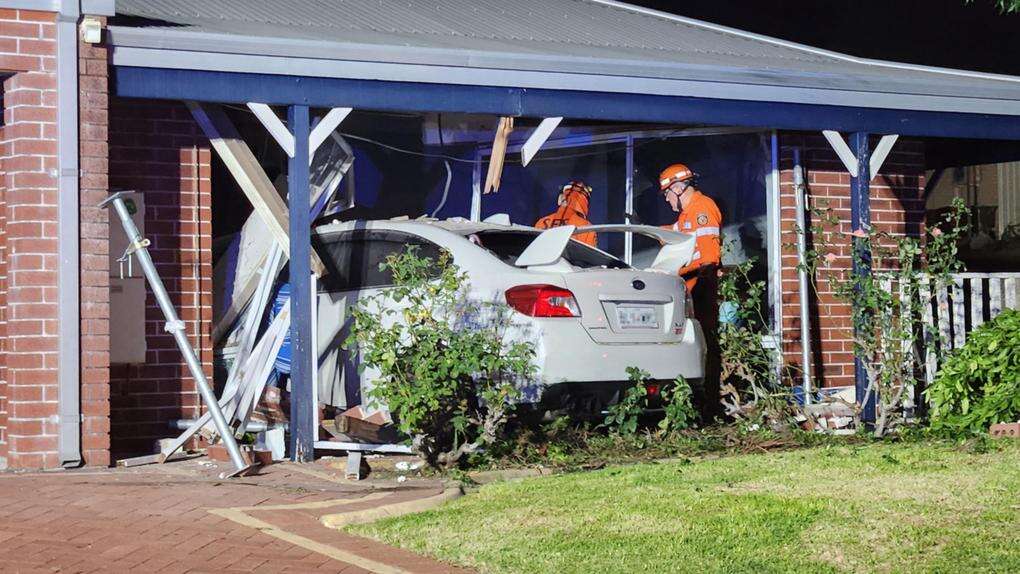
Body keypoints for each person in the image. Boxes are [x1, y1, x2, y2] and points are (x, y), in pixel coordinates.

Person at [659, 163, 723, 421]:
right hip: (692, 289)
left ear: (677, 187)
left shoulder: (701, 209)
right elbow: (676, 233)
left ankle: (708, 408)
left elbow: (709, 258)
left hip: (702, 288)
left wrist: (678, 272)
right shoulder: (687, 215)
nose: (665, 198)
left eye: (666, 193)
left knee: (704, 347)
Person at [535, 181, 597, 247]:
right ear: (585, 204)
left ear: (560, 198)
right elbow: (590, 255)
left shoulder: (541, 222)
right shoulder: (588, 228)